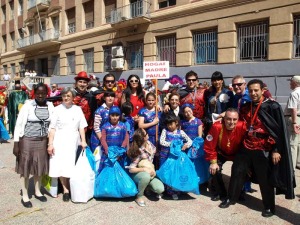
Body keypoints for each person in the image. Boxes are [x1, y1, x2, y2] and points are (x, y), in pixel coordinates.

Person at [219, 79, 295, 217]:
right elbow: (239, 122)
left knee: (265, 179)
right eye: (251, 90)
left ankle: (269, 207)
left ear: (262, 90)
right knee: (237, 171)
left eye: (256, 90)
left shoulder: (273, 106)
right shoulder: (246, 106)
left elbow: (278, 131)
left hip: (264, 147)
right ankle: (231, 198)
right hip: (246, 145)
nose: (253, 93)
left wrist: (276, 150)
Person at [13, 83, 54, 208]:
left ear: (47, 94)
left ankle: (37, 191)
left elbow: (52, 124)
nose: (40, 96)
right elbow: (19, 124)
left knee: (39, 167)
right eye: (38, 93)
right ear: (34, 94)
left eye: (43, 93)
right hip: (27, 140)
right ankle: (25, 195)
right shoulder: (28, 106)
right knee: (25, 168)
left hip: (42, 141)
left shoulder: (50, 106)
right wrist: (16, 143)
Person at [47, 87, 88, 202]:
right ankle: (66, 190)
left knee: (69, 165)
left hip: (72, 140)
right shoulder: (57, 109)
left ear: (73, 98)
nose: (65, 98)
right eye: (64, 96)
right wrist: (50, 144)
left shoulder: (77, 109)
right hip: (59, 140)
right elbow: (52, 128)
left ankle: (71, 188)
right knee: (59, 165)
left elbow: (81, 127)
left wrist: (83, 141)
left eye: (68, 96)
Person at [204, 108, 247, 201]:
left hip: (236, 154)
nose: (231, 122)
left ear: (238, 119)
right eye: (228, 119)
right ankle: (220, 192)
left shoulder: (242, 126)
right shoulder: (216, 126)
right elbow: (209, 145)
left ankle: (238, 191)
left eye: (234, 119)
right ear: (224, 119)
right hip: (221, 152)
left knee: (242, 169)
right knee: (214, 169)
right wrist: (213, 162)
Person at [128, 128, 165, 207]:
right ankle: (139, 196)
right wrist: (144, 169)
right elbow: (131, 169)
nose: (148, 134)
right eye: (146, 134)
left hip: (151, 173)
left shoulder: (149, 144)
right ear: (144, 137)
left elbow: (156, 154)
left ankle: (146, 187)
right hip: (139, 175)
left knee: (160, 189)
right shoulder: (139, 151)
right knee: (145, 176)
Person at [160, 115, 192, 200]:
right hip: (165, 156)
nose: (169, 126)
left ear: (176, 123)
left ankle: (174, 191)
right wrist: (172, 144)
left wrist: (186, 145)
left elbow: (190, 141)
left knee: (174, 174)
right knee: (164, 173)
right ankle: (162, 191)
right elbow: (162, 142)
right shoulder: (165, 131)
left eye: (171, 124)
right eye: (168, 124)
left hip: (175, 158)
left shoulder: (181, 132)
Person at [99, 106, 129, 172]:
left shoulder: (123, 126)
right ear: (109, 116)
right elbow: (103, 140)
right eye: (112, 115)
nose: (115, 117)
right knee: (107, 171)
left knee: (119, 171)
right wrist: (108, 151)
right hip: (108, 154)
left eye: (117, 115)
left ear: (119, 116)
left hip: (119, 153)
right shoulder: (105, 126)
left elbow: (126, 138)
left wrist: (121, 150)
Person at [73, 71, 97, 143]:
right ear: (76, 83)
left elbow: (94, 113)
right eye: (80, 82)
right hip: (72, 129)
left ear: (87, 84)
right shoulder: (70, 95)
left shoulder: (91, 97)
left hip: (87, 131)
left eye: (84, 82)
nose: (82, 84)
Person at [284, 75, 300, 170]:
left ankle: (291, 167)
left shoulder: (294, 93)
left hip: (293, 118)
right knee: (298, 142)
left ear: (295, 83)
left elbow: (293, 109)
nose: (290, 83)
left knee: (292, 143)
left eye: (291, 81)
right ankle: (298, 162)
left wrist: (294, 123)